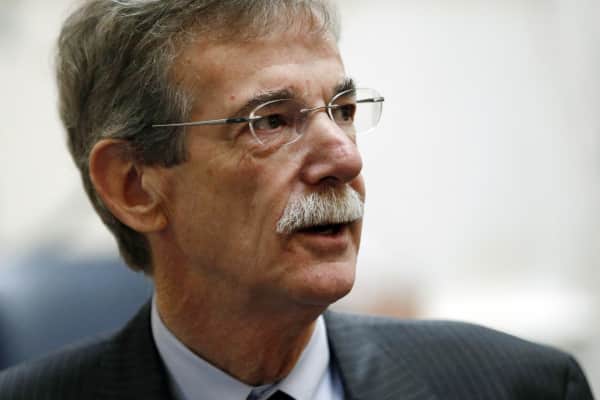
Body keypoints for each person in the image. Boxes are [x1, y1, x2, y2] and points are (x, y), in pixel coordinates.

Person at [0, 0, 594, 399]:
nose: (346, 159)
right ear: (134, 185)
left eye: (344, 110)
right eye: (272, 120)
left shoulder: (524, 387)